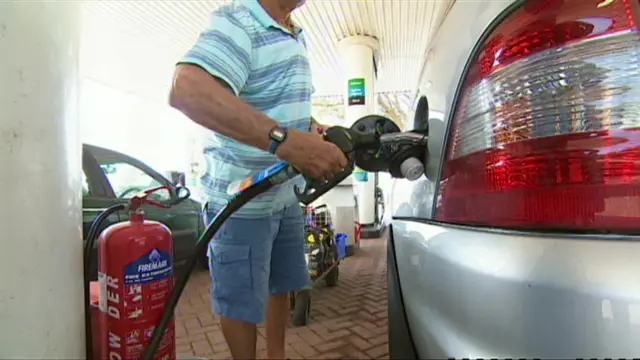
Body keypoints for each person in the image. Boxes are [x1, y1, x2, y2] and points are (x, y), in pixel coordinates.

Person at [169, 0, 348, 359]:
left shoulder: (294, 31)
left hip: (284, 196)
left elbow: (272, 106)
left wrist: (309, 130)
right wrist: (286, 141)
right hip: (243, 202)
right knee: (240, 302)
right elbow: (186, 90)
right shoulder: (241, 22)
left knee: (280, 284)